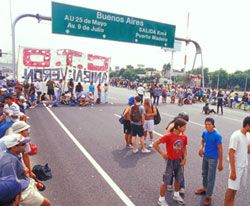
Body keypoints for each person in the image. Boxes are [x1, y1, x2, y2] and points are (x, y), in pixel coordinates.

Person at [0, 133, 51, 206]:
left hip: (24, 183)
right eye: (23, 144)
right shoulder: (9, 163)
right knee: (46, 204)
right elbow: (11, 185)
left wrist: (24, 173)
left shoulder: (13, 155)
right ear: (13, 147)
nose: (25, 145)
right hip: (22, 192)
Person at [153, 118, 188, 205]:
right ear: (178, 127)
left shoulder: (184, 137)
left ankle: (176, 195)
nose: (185, 128)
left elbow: (184, 148)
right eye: (184, 127)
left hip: (179, 161)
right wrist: (163, 154)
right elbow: (155, 144)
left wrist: (184, 158)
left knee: (178, 179)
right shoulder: (168, 136)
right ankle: (161, 200)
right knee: (166, 181)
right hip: (170, 161)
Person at [195, 117, 223, 206]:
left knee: (211, 177)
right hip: (205, 156)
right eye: (206, 124)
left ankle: (208, 196)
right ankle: (205, 188)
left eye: (209, 124)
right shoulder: (205, 132)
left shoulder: (217, 135)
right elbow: (203, 140)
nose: (207, 126)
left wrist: (220, 163)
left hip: (213, 159)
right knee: (204, 173)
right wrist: (201, 147)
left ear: (213, 125)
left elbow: (220, 149)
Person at [224, 116, 250, 206]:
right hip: (236, 167)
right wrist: (233, 172)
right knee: (231, 189)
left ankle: (231, 204)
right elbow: (231, 153)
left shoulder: (248, 135)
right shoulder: (236, 136)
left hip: (243, 166)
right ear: (247, 125)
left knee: (235, 189)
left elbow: (248, 151)